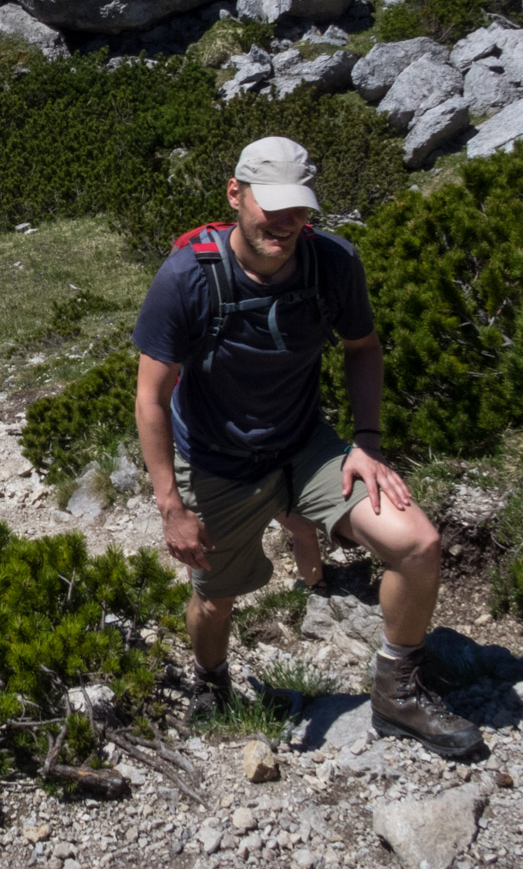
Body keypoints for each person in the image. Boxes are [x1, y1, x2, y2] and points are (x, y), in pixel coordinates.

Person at [131, 136, 481, 758]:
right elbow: (152, 397)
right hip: (217, 459)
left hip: (305, 445)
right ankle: (212, 681)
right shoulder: (187, 277)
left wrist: (366, 443)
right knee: (216, 599)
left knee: (418, 544)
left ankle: (397, 693)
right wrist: (171, 505)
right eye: (273, 208)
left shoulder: (332, 263)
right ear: (235, 196)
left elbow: (363, 347)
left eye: (300, 210)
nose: (287, 225)